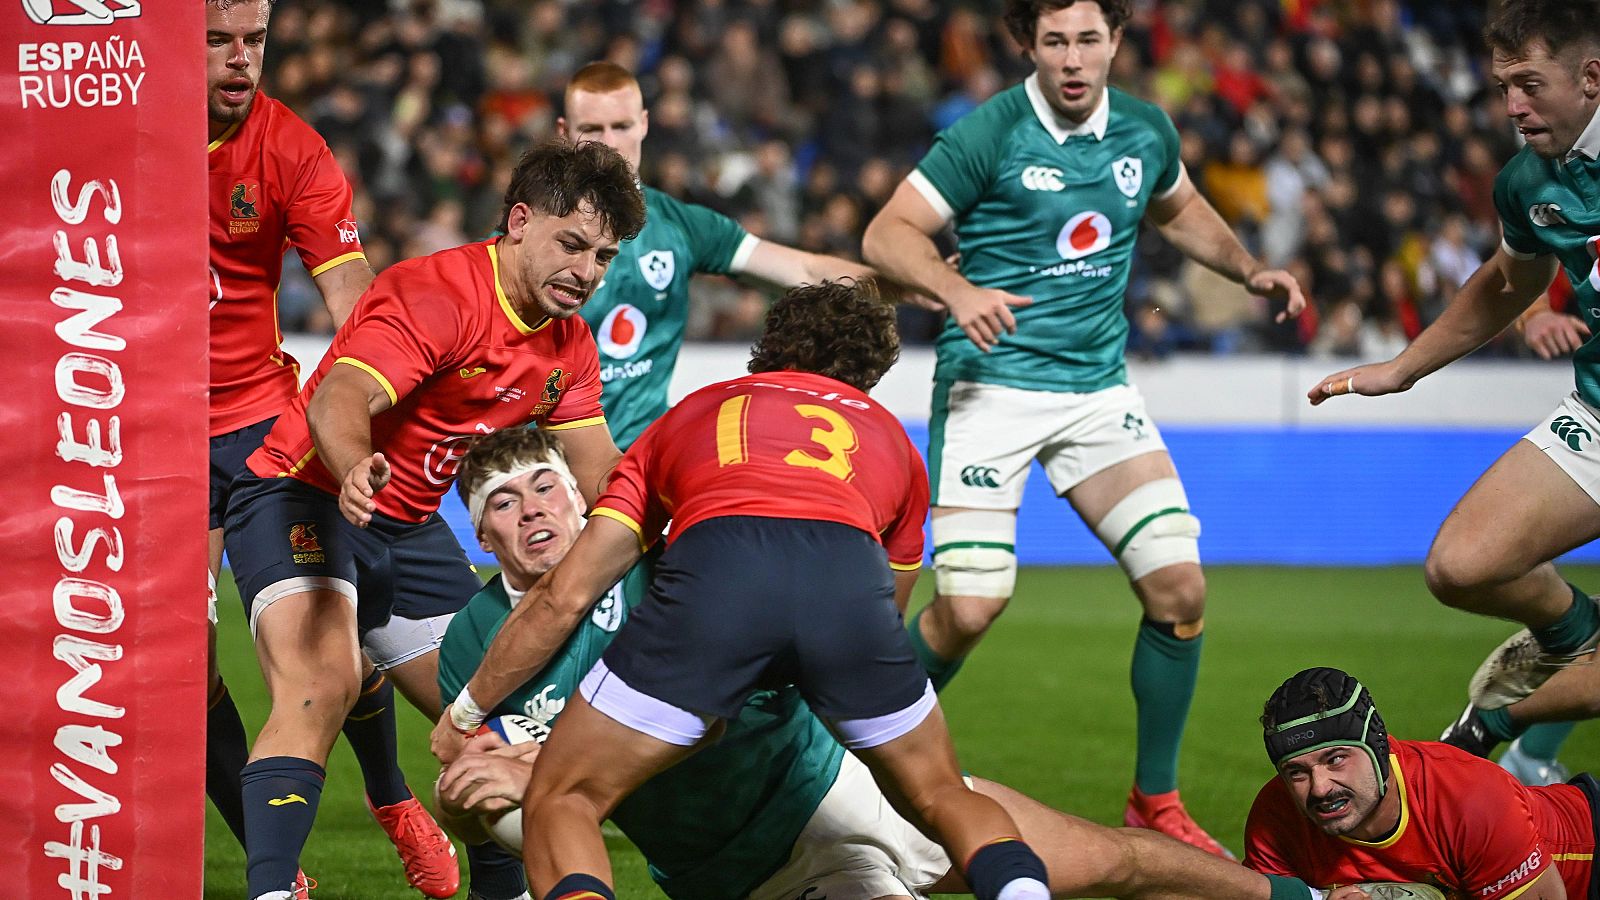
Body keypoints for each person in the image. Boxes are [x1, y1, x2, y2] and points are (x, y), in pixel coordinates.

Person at [431, 426, 1314, 900]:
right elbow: (491, 802)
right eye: (504, 502)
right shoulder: (475, 644)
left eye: (547, 484)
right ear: (483, 533)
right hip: (749, 873)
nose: (534, 510)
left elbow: (705, 716)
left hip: (843, 789)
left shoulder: (662, 562)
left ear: (581, 492)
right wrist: (467, 808)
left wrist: (544, 763)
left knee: (1122, 864)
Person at [438, 281, 1053, 900]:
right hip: (846, 594)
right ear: (870, 372)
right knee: (942, 794)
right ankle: (1020, 890)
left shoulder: (695, 411)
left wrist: (462, 716)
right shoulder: (894, 442)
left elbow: (564, 594)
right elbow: (888, 612)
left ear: (768, 347)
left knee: (563, 796)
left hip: (720, 578)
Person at [860, 0, 1304, 857]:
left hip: (1098, 392)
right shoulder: (989, 132)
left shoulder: (1144, 130)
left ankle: (1156, 800)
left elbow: (1179, 211)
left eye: (1088, 39)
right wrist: (958, 293)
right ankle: (850, 757)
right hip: (991, 389)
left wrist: (1250, 270)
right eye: (1055, 40)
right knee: (969, 609)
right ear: (1028, 45)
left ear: (1116, 43)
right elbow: (889, 232)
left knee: (1179, 590)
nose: (1072, 58)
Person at [220, 139, 645, 900]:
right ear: (519, 221)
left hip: (408, 529)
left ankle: (499, 885)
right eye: (573, 244)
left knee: (491, 721)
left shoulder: (570, 345)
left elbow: (603, 471)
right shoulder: (439, 294)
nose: (586, 272)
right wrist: (354, 465)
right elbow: (338, 399)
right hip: (302, 492)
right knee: (321, 682)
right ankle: (274, 891)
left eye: (605, 257)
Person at [203, 1, 456, 896]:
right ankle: (281, 865)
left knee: (326, 653)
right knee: (188, 675)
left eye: (255, 41)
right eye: (218, 40)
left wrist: (384, 401)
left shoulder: (293, 149)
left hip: (262, 429)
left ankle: (391, 794)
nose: (241, 60)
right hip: (142, 440)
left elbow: (356, 300)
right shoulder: (120, 144)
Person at [1307, 0, 1600, 759]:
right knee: (1461, 566)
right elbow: (1509, 282)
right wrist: (1403, 369)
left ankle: (1496, 728)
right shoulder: (1529, 181)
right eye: (1504, 85)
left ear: (1593, 76)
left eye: (1529, 83)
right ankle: (1577, 633)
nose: (1511, 105)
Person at [556, 61, 885, 449]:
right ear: (564, 133)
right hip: (551, 467)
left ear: (644, 123)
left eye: (622, 127)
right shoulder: (527, 238)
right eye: (592, 129)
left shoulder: (681, 226)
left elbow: (805, 267)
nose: (609, 143)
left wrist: (909, 283)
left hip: (641, 461)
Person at [1246, 667, 1599, 900]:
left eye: (1336, 759)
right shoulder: (1275, 817)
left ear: (1378, 747)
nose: (1320, 787)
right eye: (1296, 772)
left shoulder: (1468, 795)